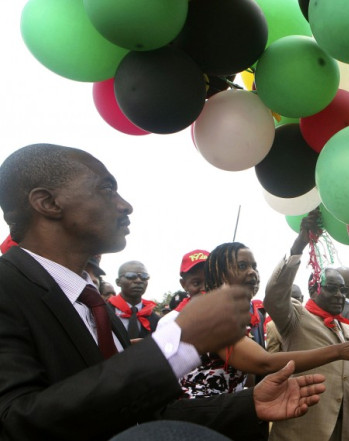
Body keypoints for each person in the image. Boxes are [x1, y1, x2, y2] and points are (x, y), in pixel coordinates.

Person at [0, 143, 326, 440]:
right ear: (47, 203)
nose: (125, 205)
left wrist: (249, 404)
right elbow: (16, 421)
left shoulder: (90, 303)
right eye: (106, 188)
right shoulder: (8, 288)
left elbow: (140, 418)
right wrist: (179, 346)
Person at [179, 241, 349, 400]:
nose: (252, 272)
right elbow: (264, 362)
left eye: (254, 266)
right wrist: (340, 351)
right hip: (196, 419)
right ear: (219, 273)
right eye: (242, 266)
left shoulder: (235, 315)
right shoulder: (212, 315)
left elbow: (247, 373)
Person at [264, 211, 349, 441]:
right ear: (313, 290)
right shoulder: (296, 318)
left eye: (343, 290)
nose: (339, 295)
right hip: (304, 432)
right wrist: (300, 244)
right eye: (332, 288)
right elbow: (275, 296)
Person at [110, 260, 160, 339]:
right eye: (131, 276)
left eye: (144, 276)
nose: (139, 280)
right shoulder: (103, 311)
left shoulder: (156, 320)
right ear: (118, 282)